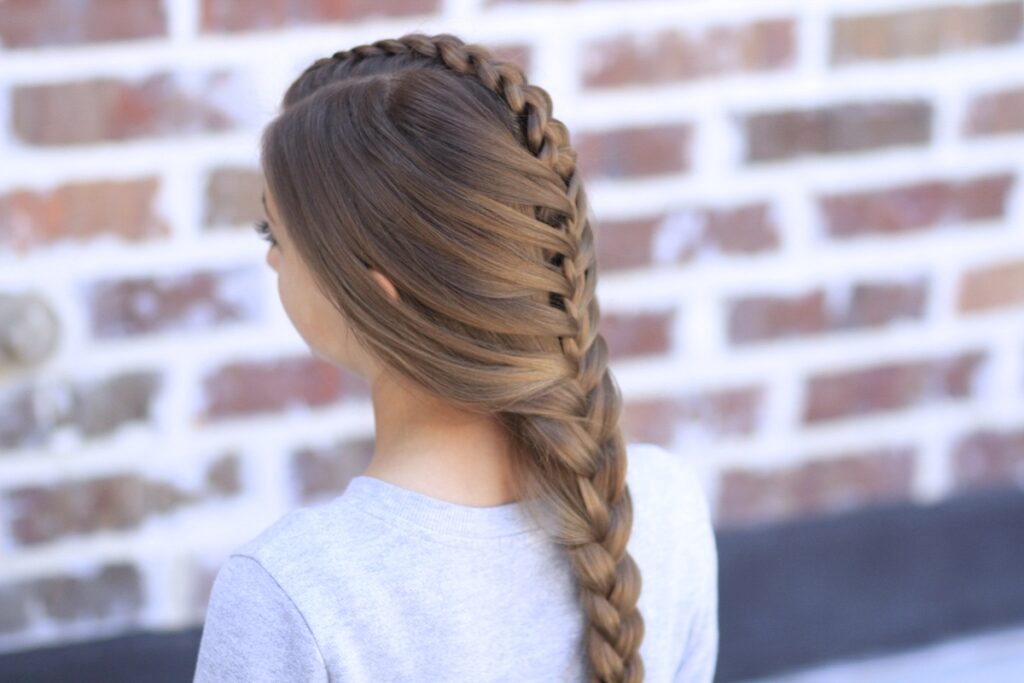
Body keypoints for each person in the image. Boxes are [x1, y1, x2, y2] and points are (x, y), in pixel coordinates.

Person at [192, 32, 718, 683]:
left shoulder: (294, 593)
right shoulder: (663, 507)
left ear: (374, 296)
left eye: (277, 233)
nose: (272, 257)